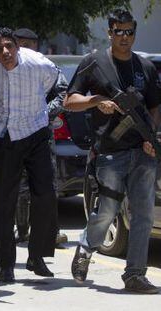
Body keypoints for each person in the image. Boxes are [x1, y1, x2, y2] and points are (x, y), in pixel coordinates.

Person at [65, 9, 161, 294]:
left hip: (142, 152)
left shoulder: (145, 67)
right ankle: (86, 247)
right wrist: (96, 101)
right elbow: (70, 100)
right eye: (118, 31)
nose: (124, 37)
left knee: (142, 214)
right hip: (109, 152)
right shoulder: (94, 63)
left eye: (129, 31)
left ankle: (134, 275)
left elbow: (155, 106)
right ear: (109, 33)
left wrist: (151, 135)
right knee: (107, 212)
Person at [0, 27, 59, 282]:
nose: (5, 53)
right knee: (5, 200)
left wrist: (44, 112)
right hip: (5, 135)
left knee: (46, 195)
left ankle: (37, 257)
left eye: (9, 46)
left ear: (17, 46)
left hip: (35, 131)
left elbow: (56, 86)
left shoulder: (39, 64)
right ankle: (5, 262)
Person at [12, 27, 68, 247]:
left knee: (46, 184)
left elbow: (63, 93)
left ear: (36, 46)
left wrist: (44, 111)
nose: (24, 48)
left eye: (29, 44)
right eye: (21, 44)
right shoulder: (5, 67)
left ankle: (50, 231)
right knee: (17, 186)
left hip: (41, 134)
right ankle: (22, 229)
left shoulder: (47, 67)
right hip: (13, 135)